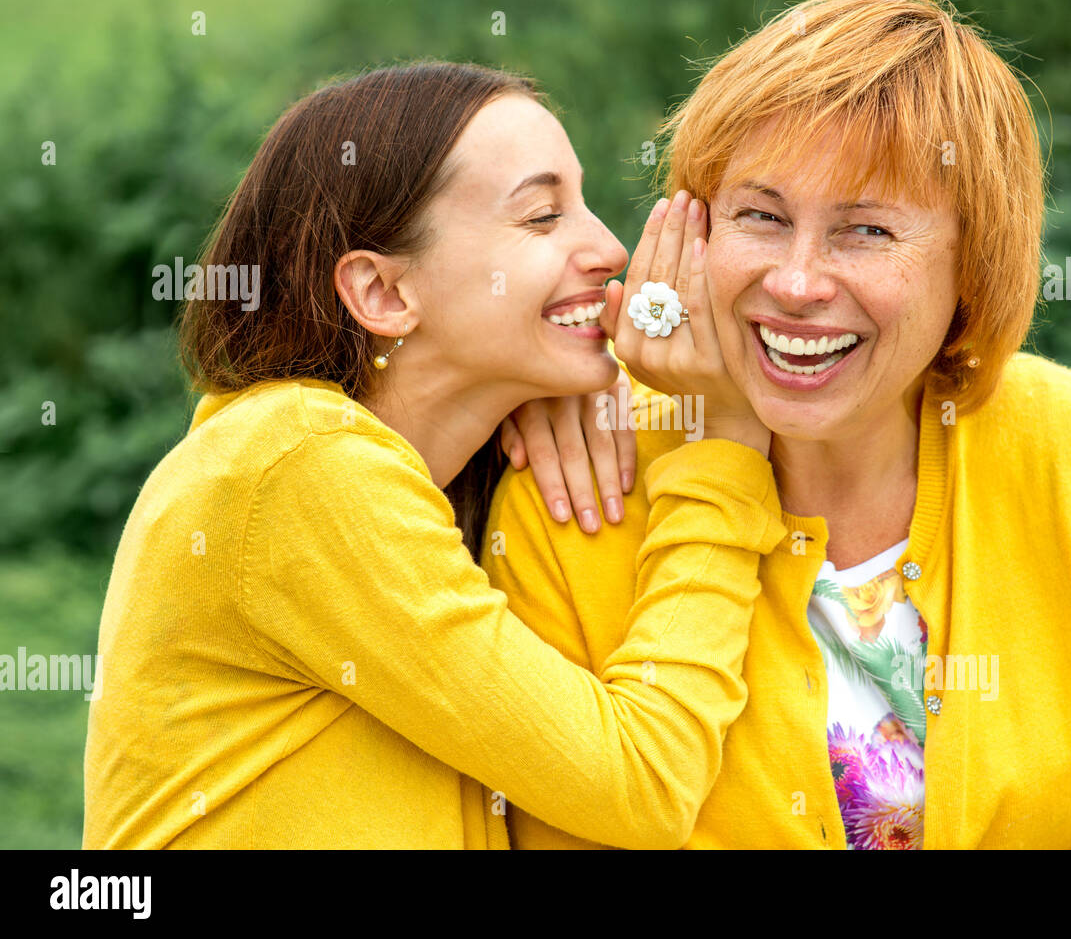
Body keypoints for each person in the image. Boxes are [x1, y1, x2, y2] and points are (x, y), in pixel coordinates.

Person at [488, 0, 1071, 849]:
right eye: (762, 215)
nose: (798, 280)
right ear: (694, 229)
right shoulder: (575, 488)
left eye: (865, 229)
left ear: (974, 261)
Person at [82, 60, 781, 849]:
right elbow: (642, 784)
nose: (611, 247)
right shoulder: (301, 465)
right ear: (383, 294)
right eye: (543, 217)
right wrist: (721, 450)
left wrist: (547, 381)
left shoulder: (333, 458)